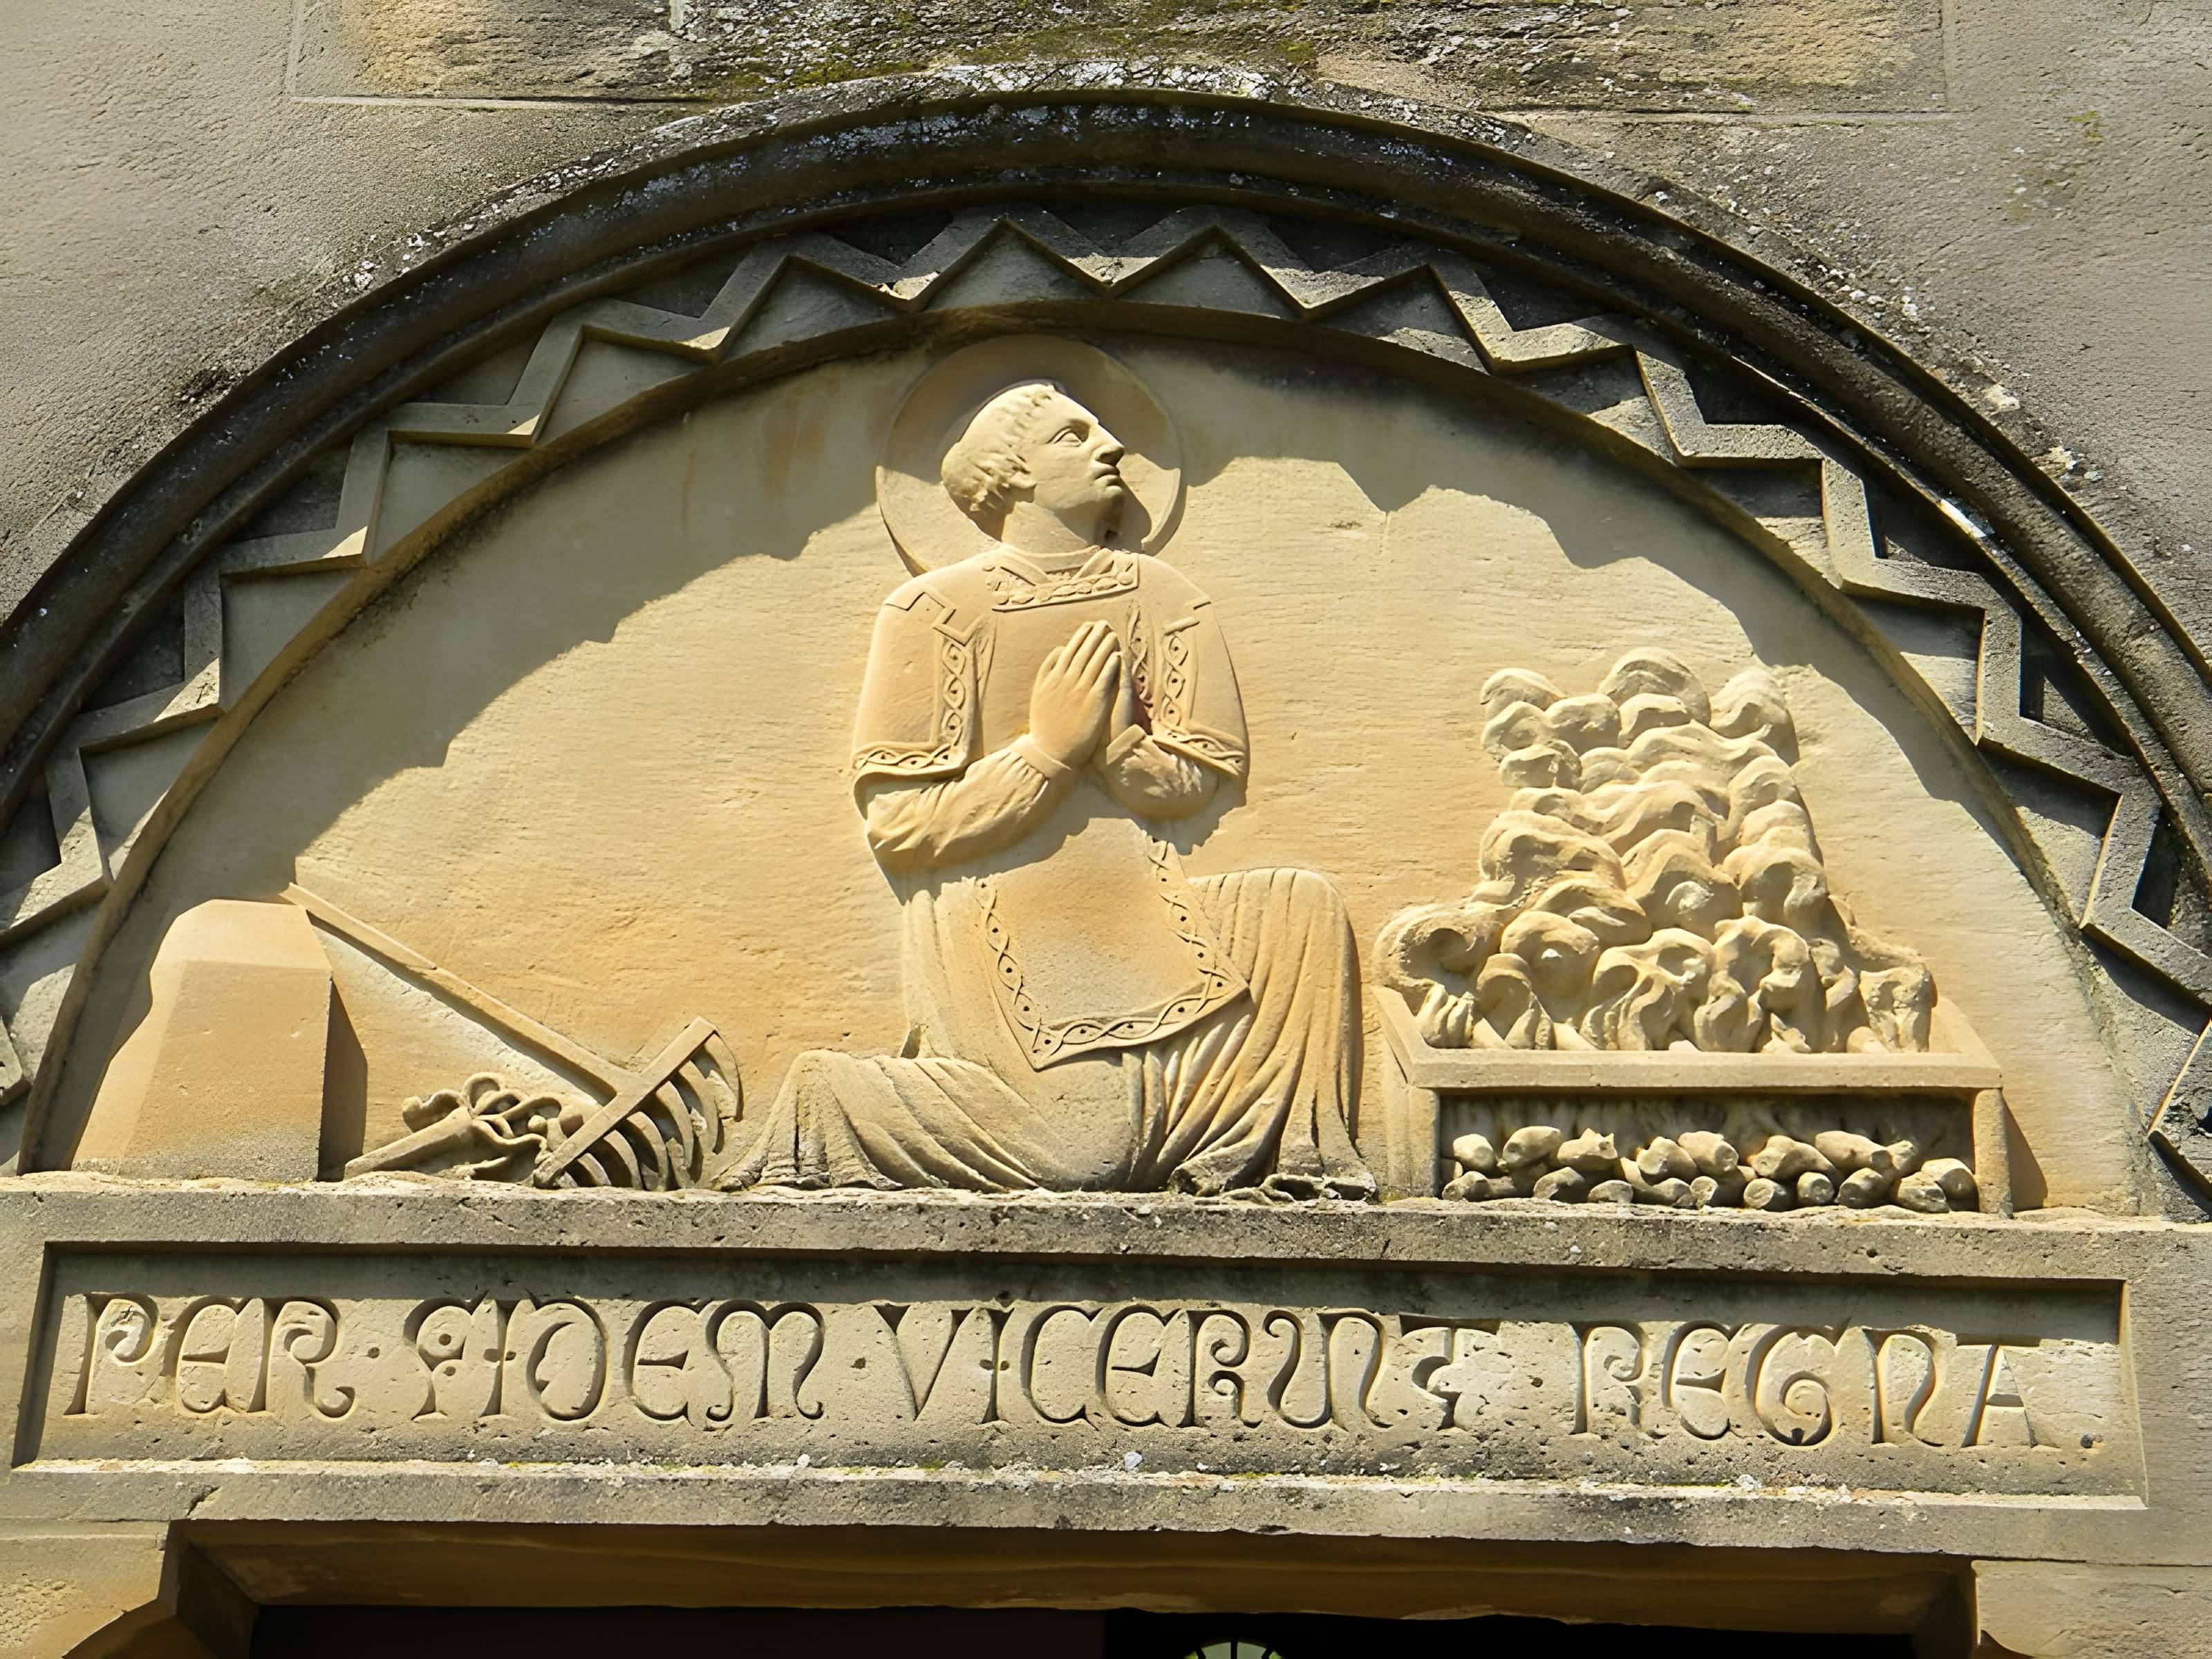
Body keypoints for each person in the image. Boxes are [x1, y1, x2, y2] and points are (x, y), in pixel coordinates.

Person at [720, 379, 1374, 1197]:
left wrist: (1118, 748)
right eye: (1073, 436)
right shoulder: (934, 611)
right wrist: (1046, 753)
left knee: (1300, 907)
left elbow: (1196, 777)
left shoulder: (1163, 596)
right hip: (1001, 906)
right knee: (1080, 1159)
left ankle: (1274, 1159)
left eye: (1102, 434)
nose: (1110, 450)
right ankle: (833, 1104)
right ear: (1011, 474)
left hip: (1133, 890)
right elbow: (899, 826)